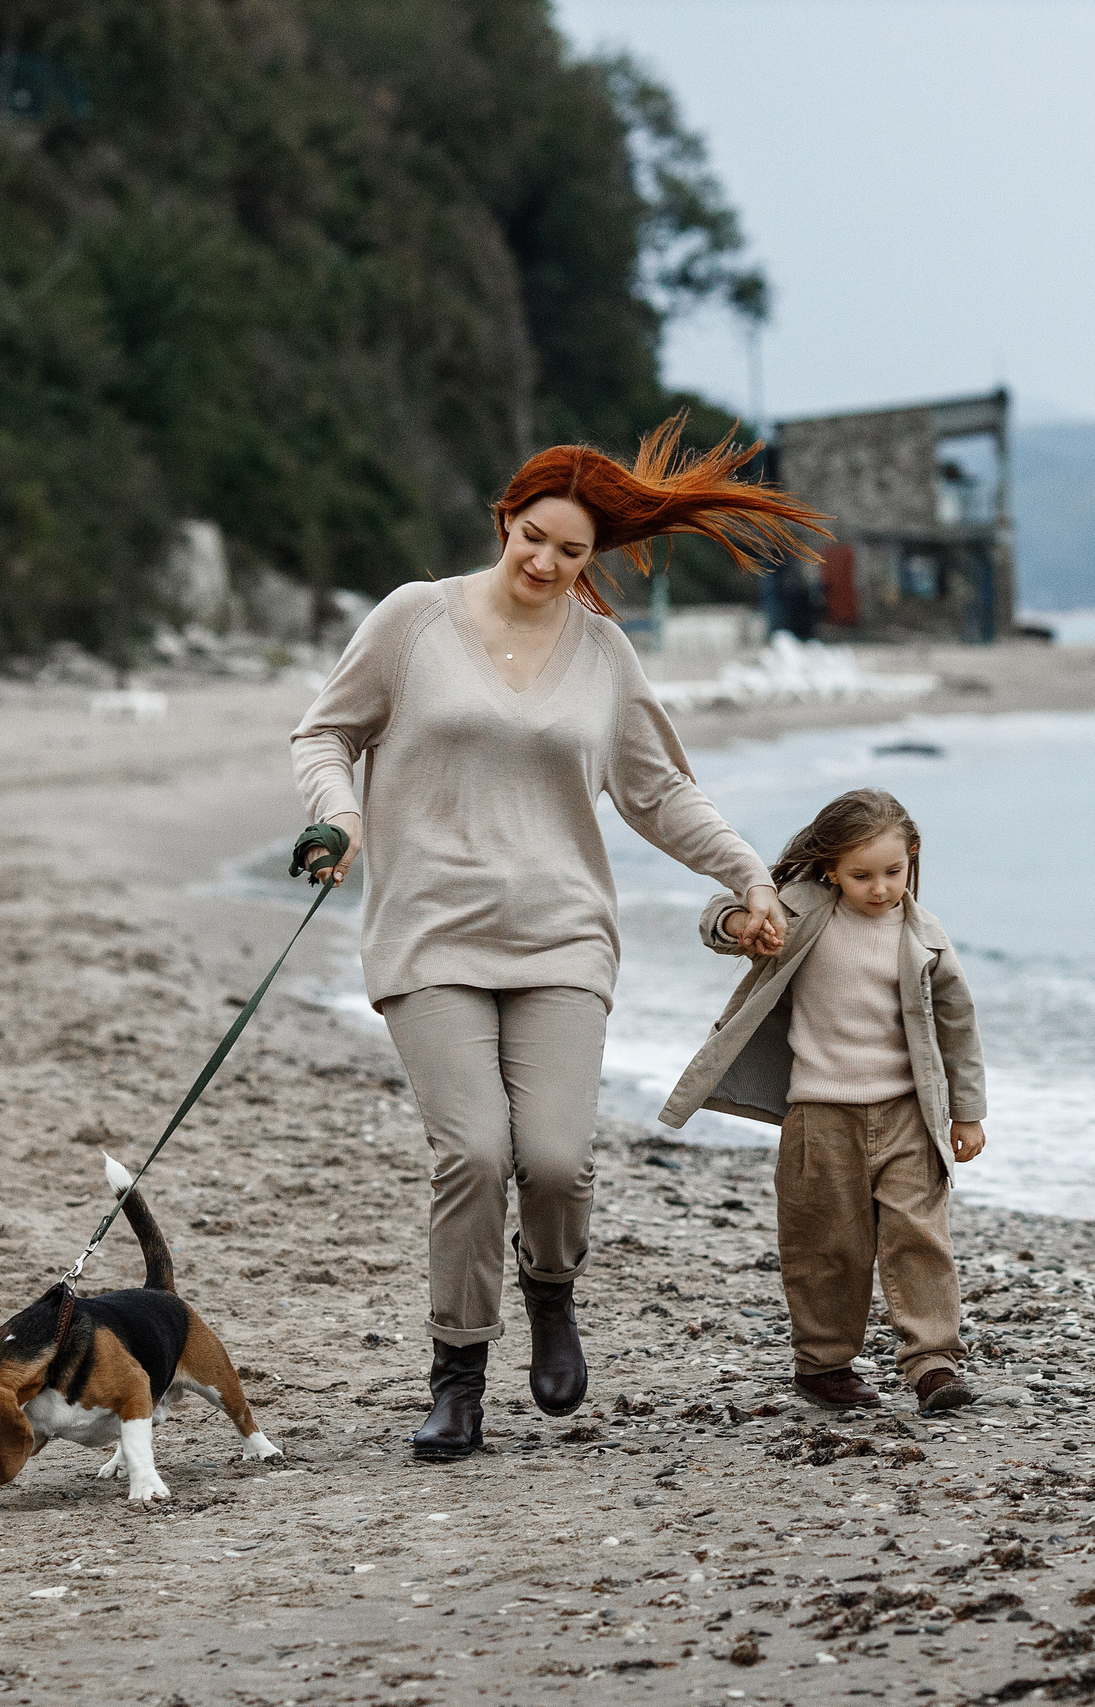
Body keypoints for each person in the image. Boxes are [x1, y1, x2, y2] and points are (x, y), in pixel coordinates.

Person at [289, 416, 825, 1462]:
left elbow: (658, 791)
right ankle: (457, 1378)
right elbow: (326, 731)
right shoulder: (413, 620)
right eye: (532, 537)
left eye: (570, 551)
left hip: (562, 939)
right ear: (506, 519)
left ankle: (550, 1288)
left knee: (555, 1160)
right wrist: (338, 815)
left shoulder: (603, 652)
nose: (544, 562)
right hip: (430, 933)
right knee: (475, 1154)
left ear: (593, 558)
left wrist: (747, 873)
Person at [660, 788, 988, 1414]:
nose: (880, 888)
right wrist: (740, 924)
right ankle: (824, 1364)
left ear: (912, 857)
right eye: (862, 875)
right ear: (831, 868)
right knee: (823, 1244)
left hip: (909, 1114)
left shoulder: (924, 937)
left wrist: (967, 1112)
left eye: (893, 872)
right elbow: (716, 917)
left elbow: (958, 1026)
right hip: (819, 1114)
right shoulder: (803, 911)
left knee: (920, 1238)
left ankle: (933, 1364)